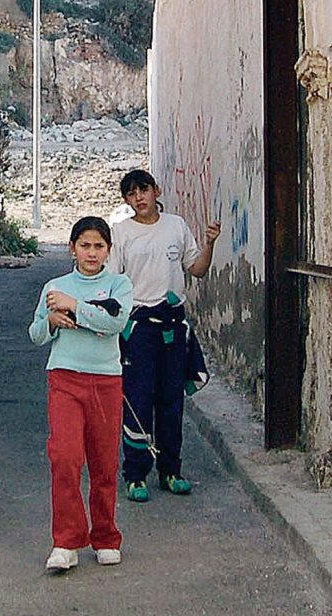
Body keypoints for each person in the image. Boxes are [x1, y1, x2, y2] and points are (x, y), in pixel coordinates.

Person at [108, 169, 220, 503]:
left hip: (173, 326)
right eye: (131, 194)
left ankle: (171, 471)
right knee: (138, 400)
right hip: (140, 328)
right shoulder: (121, 233)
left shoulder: (176, 226)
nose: (138, 198)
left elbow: (197, 269)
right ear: (126, 200)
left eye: (143, 190)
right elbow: (113, 282)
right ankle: (135, 475)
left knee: (172, 402)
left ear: (156, 190)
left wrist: (210, 243)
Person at [29, 216, 134, 572]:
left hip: (106, 381)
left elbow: (115, 323)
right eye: (85, 245)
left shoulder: (119, 284)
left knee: (104, 463)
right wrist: (51, 322)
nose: (91, 253)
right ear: (72, 248)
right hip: (65, 378)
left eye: (98, 246)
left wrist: (73, 306)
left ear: (108, 250)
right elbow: (35, 334)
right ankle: (66, 541)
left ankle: (106, 536)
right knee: (65, 457)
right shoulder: (54, 286)